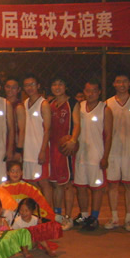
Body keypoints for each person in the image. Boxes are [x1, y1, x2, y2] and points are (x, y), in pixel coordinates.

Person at [104, 71, 130, 232]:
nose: (121, 84)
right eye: (118, 81)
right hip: (113, 151)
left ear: (129, 83)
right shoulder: (108, 103)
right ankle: (114, 217)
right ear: (114, 84)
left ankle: (128, 219)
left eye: (124, 81)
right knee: (112, 185)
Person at [74, 80, 113, 231]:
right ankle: (84, 215)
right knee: (81, 187)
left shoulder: (105, 109)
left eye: (94, 91)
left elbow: (108, 136)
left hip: (96, 155)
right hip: (80, 154)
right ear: (84, 91)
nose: (90, 94)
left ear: (99, 92)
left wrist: (105, 157)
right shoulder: (79, 107)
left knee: (97, 188)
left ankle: (94, 217)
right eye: (88, 90)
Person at [48, 76, 80, 231]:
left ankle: (68, 217)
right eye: (54, 84)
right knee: (56, 184)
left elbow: (77, 124)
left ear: (66, 86)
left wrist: (73, 140)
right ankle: (58, 215)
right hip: (52, 147)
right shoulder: (50, 104)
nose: (57, 87)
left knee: (67, 184)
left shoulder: (72, 103)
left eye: (60, 84)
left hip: (65, 148)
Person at [20, 74, 52, 207]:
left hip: (39, 149)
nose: (30, 87)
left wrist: (43, 150)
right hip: (28, 150)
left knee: (44, 182)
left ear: (38, 86)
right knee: (31, 183)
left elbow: (48, 129)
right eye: (27, 85)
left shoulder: (43, 104)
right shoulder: (24, 103)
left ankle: (49, 213)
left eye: (32, 84)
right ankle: (37, 210)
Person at [4, 76, 26, 162]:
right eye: (8, 87)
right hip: (2, 144)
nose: (10, 90)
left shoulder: (18, 107)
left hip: (13, 146)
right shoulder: (1, 104)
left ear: (18, 89)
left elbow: (22, 130)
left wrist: (18, 150)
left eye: (13, 87)